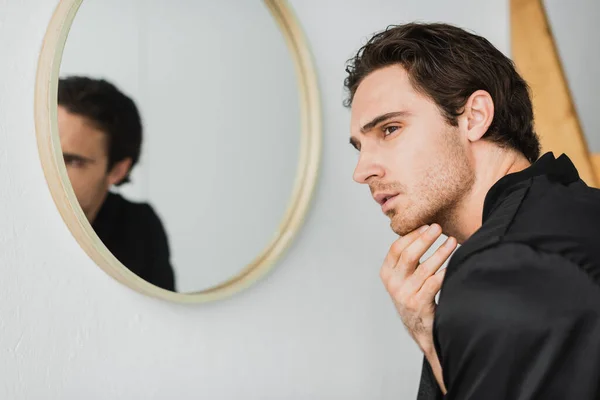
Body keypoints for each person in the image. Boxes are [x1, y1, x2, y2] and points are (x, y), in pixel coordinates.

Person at [344, 22, 600, 399]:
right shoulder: (575, 209)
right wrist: (429, 337)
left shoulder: (500, 269)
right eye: (359, 147)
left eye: (390, 129)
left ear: (475, 116)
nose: (362, 171)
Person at [57, 76, 176, 292]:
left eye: (73, 161)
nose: (52, 171)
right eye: (48, 153)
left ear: (117, 170)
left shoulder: (141, 228)